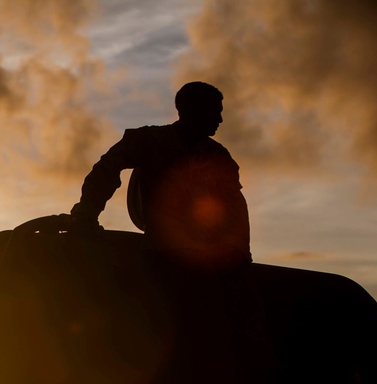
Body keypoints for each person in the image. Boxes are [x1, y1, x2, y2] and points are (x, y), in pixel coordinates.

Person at [70, 81, 250, 269]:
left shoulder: (219, 157)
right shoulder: (148, 140)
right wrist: (87, 213)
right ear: (192, 110)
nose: (220, 119)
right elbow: (106, 170)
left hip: (207, 258)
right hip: (160, 252)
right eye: (215, 111)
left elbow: (234, 208)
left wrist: (238, 252)